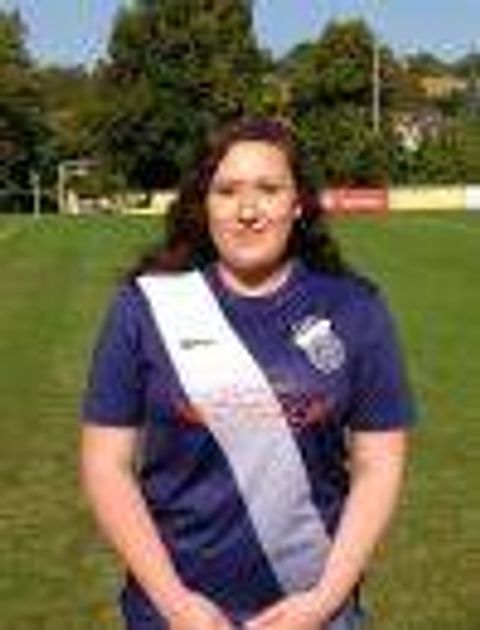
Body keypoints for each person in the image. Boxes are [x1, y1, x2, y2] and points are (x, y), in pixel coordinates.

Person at [80, 117, 415, 630]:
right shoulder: (144, 307)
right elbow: (106, 464)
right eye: (227, 191)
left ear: (297, 203)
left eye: (269, 189)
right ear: (204, 204)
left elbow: (380, 465)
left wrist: (324, 600)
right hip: (173, 613)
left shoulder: (355, 308)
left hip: (316, 611)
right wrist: (176, 604)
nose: (248, 210)